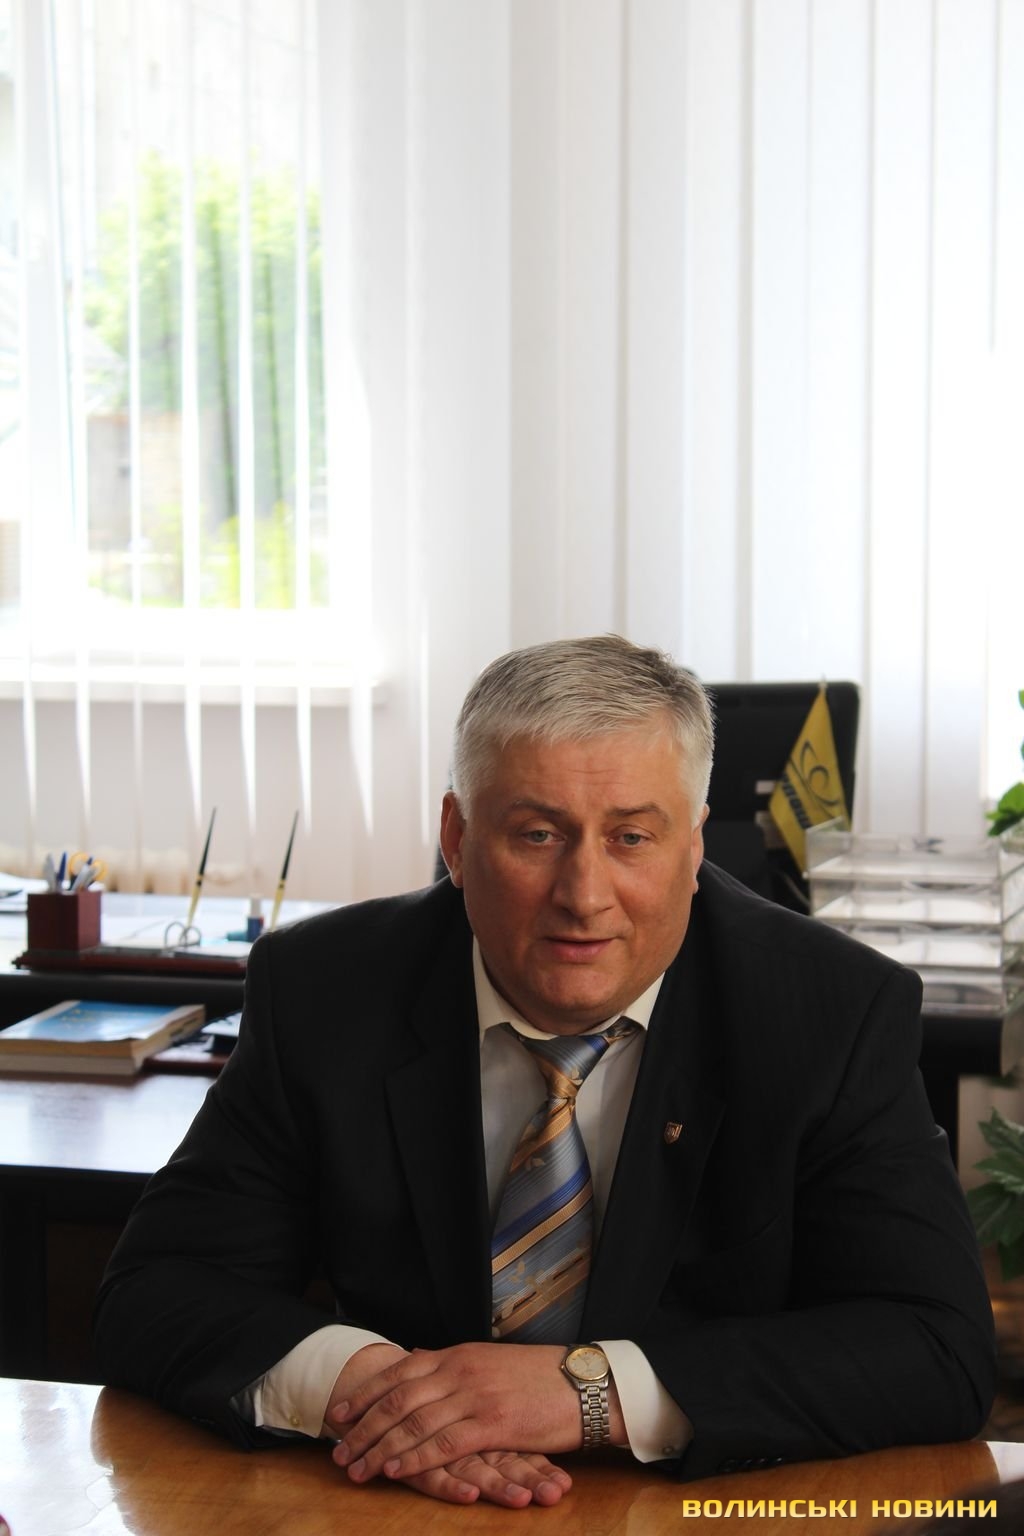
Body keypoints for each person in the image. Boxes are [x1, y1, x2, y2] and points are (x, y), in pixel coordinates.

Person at [94, 635, 996, 1510]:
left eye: (632, 837)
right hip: (407, 1504)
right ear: (456, 838)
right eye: (536, 834)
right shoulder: (325, 991)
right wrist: (377, 1393)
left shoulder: (828, 1012)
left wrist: (587, 1393)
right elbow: (157, 1290)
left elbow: (937, 1347)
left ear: (694, 848)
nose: (584, 894)